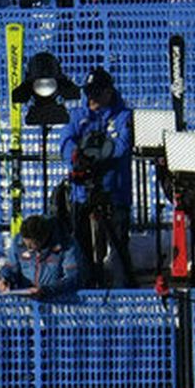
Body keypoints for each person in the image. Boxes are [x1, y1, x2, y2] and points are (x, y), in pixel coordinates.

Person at [54, 69, 136, 288]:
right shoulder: (77, 115)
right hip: (83, 193)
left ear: (109, 92)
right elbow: (65, 140)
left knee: (118, 246)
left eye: (97, 94)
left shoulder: (123, 116)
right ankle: (85, 286)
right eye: (89, 93)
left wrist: (95, 157)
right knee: (81, 247)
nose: (92, 99)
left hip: (114, 192)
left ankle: (122, 291)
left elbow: (122, 146)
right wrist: (76, 156)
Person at [0, 214, 85, 297]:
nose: (28, 248)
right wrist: (5, 278)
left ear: (43, 238)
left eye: (32, 245)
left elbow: (73, 278)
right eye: (25, 243)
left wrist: (47, 290)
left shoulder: (67, 245)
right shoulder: (18, 242)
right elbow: (11, 266)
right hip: (26, 302)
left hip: (58, 301)